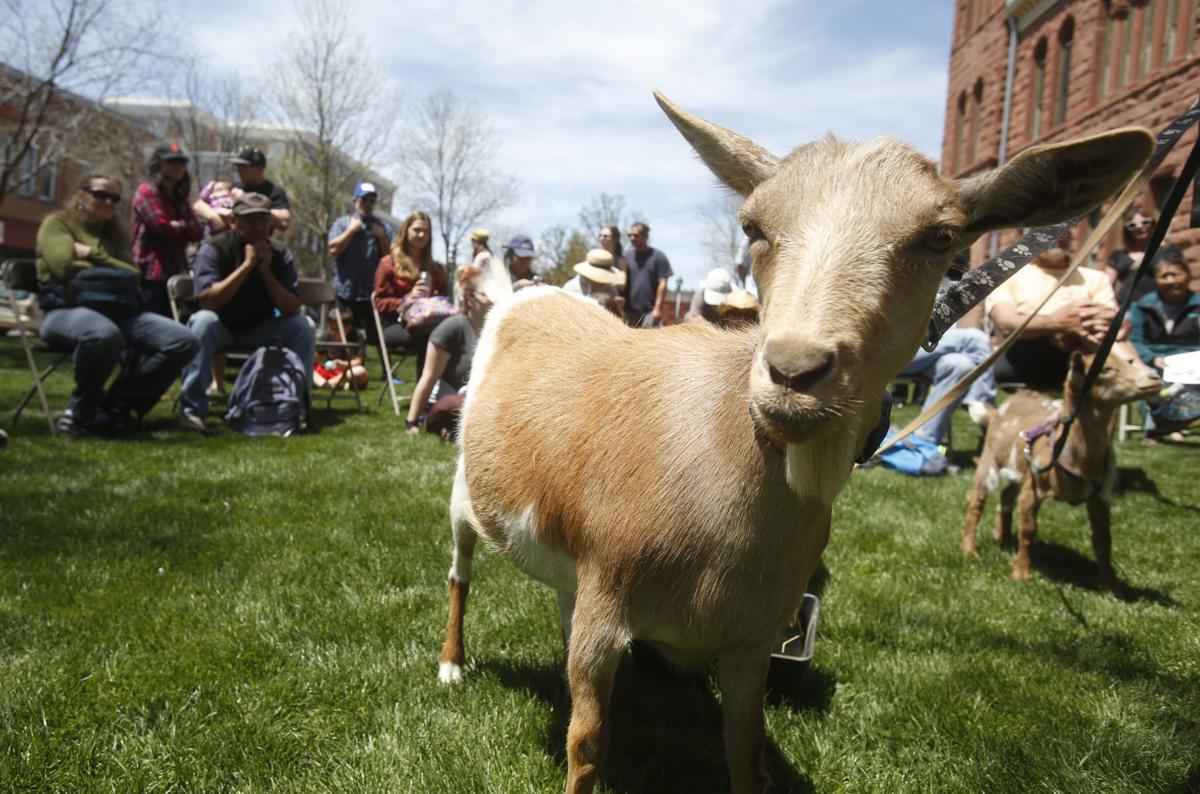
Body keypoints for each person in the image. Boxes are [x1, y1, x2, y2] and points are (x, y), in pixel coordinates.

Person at [35, 173, 200, 436]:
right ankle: (81, 411)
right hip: (66, 311)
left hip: (119, 312)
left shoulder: (115, 236)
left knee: (183, 340)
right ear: (80, 195)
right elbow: (63, 267)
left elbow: (134, 272)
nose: (109, 202)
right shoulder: (57, 224)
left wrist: (91, 255)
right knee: (102, 334)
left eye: (114, 198)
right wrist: (112, 266)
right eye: (101, 195)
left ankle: (117, 404)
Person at [178, 193, 316, 431]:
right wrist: (246, 267)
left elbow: (292, 306)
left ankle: (298, 408)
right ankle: (192, 410)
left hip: (260, 327)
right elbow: (208, 301)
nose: (258, 227)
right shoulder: (215, 248)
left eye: (263, 220)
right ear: (234, 221)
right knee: (202, 322)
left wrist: (265, 272)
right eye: (250, 220)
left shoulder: (279, 253)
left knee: (304, 326)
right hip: (222, 325)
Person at [985, 233, 1126, 388]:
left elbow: (1110, 321)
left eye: (1064, 233)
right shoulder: (1007, 276)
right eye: (1047, 232)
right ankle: (1135, 373)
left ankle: (1133, 374)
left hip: (1086, 348)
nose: (1056, 238)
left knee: (1102, 336)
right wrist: (1058, 322)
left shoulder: (1096, 278)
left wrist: (1110, 323)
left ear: (1072, 241)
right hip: (1026, 352)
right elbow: (1006, 323)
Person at [405, 264, 492, 438]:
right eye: (484, 294)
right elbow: (428, 377)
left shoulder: (494, 331)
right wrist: (412, 422)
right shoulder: (453, 327)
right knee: (456, 405)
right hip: (451, 401)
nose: (491, 298)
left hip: (480, 400)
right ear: (469, 299)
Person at [1128, 252, 1200, 439]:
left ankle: (1178, 421)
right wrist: (1153, 359)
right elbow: (1134, 340)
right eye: (1163, 276)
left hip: (1192, 362)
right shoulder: (1142, 307)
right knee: (1149, 379)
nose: (1170, 280)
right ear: (1156, 280)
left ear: (1188, 276)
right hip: (1155, 360)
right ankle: (1162, 424)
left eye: (1175, 274)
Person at [374, 211, 450, 378]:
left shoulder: (436, 269)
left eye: (426, 231)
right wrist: (407, 299)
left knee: (452, 333)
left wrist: (433, 301)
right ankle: (424, 397)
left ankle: (447, 394)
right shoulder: (388, 264)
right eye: (417, 230)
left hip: (429, 322)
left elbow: (445, 301)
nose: (422, 235)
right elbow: (379, 303)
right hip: (395, 324)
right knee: (430, 338)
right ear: (406, 231)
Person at [131, 143, 204, 316]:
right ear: (159, 164)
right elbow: (161, 227)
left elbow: (197, 232)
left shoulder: (179, 198)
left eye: (182, 162)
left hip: (176, 273)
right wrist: (180, 228)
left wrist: (179, 226)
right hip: (150, 274)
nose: (178, 167)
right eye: (172, 162)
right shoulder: (147, 191)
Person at [898, 326, 996, 449]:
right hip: (891, 350)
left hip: (922, 351)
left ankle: (923, 442)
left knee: (960, 366)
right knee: (975, 338)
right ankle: (986, 412)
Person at [328, 181, 393, 340]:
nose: (368, 204)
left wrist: (381, 237)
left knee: (375, 339)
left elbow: (390, 260)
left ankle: (365, 363)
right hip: (345, 292)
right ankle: (341, 364)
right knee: (343, 336)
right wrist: (351, 231)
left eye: (372, 200)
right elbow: (333, 249)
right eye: (364, 200)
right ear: (354, 201)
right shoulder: (342, 223)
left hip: (370, 295)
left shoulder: (383, 228)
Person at [194, 146, 292, 234]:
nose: (239, 170)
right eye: (238, 167)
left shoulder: (273, 192)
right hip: (229, 242)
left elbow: (284, 222)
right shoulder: (234, 187)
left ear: (260, 169)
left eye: (244, 167)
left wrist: (247, 200)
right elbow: (198, 205)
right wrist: (214, 217)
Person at [1104, 206, 1183, 304]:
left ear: (1153, 223)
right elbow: (1106, 285)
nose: (1139, 227)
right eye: (1132, 225)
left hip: (1158, 307)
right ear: (1126, 230)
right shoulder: (1118, 256)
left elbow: (1178, 277)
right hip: (1127, 307)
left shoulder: (1168, 251)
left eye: (1145, 222)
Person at [623, 221, 672, 327]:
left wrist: (658, 308)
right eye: (630, 235)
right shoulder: (627, 257)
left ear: (645, 236)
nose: (632, 238)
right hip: (628, 312)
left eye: (635, 235)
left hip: (650, 312)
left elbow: (663, 284)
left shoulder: (658, 257)